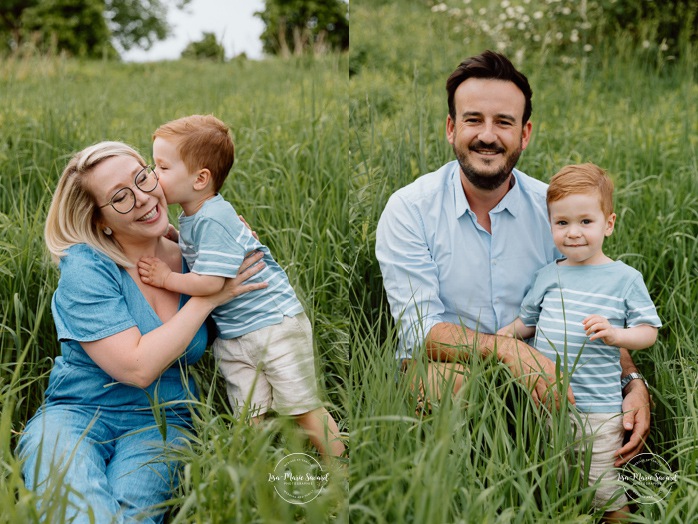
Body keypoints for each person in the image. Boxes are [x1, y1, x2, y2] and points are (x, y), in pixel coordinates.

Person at [374, 50, 651, 466]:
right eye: (473, 120)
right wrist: (509, 352)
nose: (488, 135)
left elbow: (593, 299)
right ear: (451, 129)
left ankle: (571, 488)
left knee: (593, 432)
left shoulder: (554, 212)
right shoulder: (410, 209)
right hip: (446, 366)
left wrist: (631, 381)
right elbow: (420, 330)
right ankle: (460, 490)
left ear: (525, 134)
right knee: (450, 386)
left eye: (503, 122)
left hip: (547, 367)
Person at [16, 141, 267, 524]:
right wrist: (210, 296)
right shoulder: (87, 266)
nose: (143, 198)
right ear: (98, 219)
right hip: (76, 413)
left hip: (162, 422)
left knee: (134, 513)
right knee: (77, 504)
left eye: (143, 177)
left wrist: (226, 246)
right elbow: (136, 367)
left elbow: (259, 315)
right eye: (120, 197)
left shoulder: (198, 256)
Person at [136, 115, 345, 458]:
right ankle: (256, 479)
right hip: (236, 334)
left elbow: (211, 282)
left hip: (272, 325)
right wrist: (173, 235)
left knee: (304, 408)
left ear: (200, 179)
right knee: (248, 415)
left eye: (162, 167)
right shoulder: (192, 215)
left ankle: (341, 472)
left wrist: (166, 278)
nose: (154, 176)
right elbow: (201, 253)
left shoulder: (214, 217)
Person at [497, 163, 661, 519]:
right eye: (562, 223)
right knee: (554, 479)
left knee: (602, 487)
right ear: (551, 225)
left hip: (599, 410)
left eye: (586, 222)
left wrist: (618, 335)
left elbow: (649, 331)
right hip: (547, 404)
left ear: (609, 224)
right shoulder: (548, 275)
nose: (573, 233)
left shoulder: (624, 279)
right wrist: (496, 340)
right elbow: (526, 322)